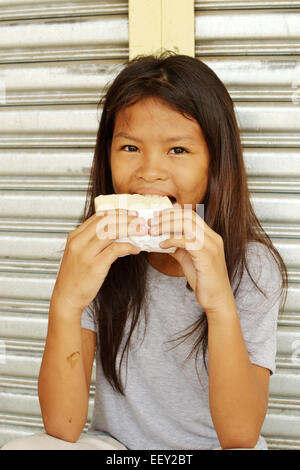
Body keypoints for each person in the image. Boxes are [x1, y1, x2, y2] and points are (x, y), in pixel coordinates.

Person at [2, 51, 288, 451]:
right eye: (130, 148)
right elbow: (62, 427)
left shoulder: (252, 266)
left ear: (215, 164)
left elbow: (240, 437)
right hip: (117, 448)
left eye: (178, 150)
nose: (150, 171)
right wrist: (66, 301)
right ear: (107, 154)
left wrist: (219, 303)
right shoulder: (97, 255)